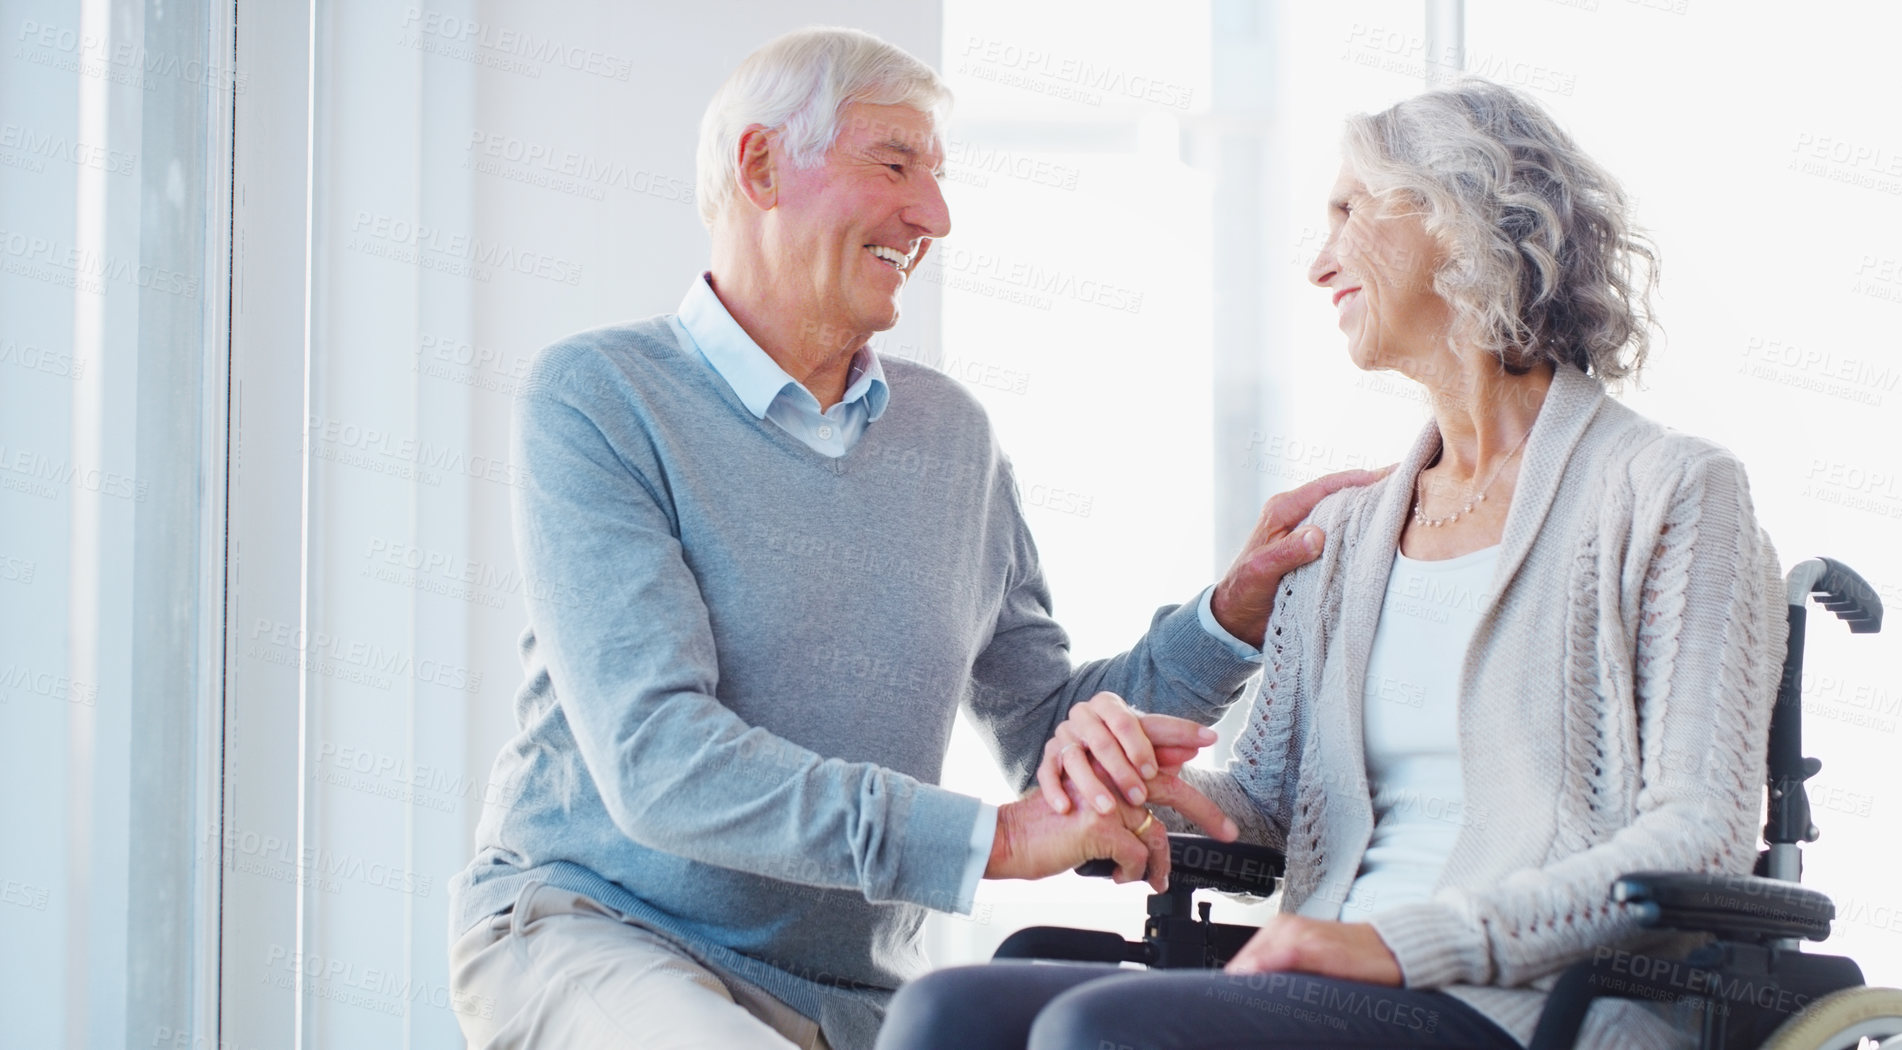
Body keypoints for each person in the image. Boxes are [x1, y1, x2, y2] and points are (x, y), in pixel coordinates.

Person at [444, 26, 1376, 1050]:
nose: (933, 214)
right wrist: (996, 842)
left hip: (853, 998)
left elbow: (1046, 727)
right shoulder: (602, 399)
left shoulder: (952, 437)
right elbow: (661, 761)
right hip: (602, 937)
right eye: (895, 165)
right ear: (760, 166)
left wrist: (1227, 617)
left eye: (937, 176)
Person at [877, 79, 1787, 1050]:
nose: (1319, 264)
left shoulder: (1671, 492)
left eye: (1349, 211)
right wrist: (1138, 789)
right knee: (952, 1011)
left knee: (1104, 1033)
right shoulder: (1347, 535)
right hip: (1325, 985)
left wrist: (1404, 944)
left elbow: (1702, 837)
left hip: (1528, 1005)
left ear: (1459, 214)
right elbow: (1269, 807)